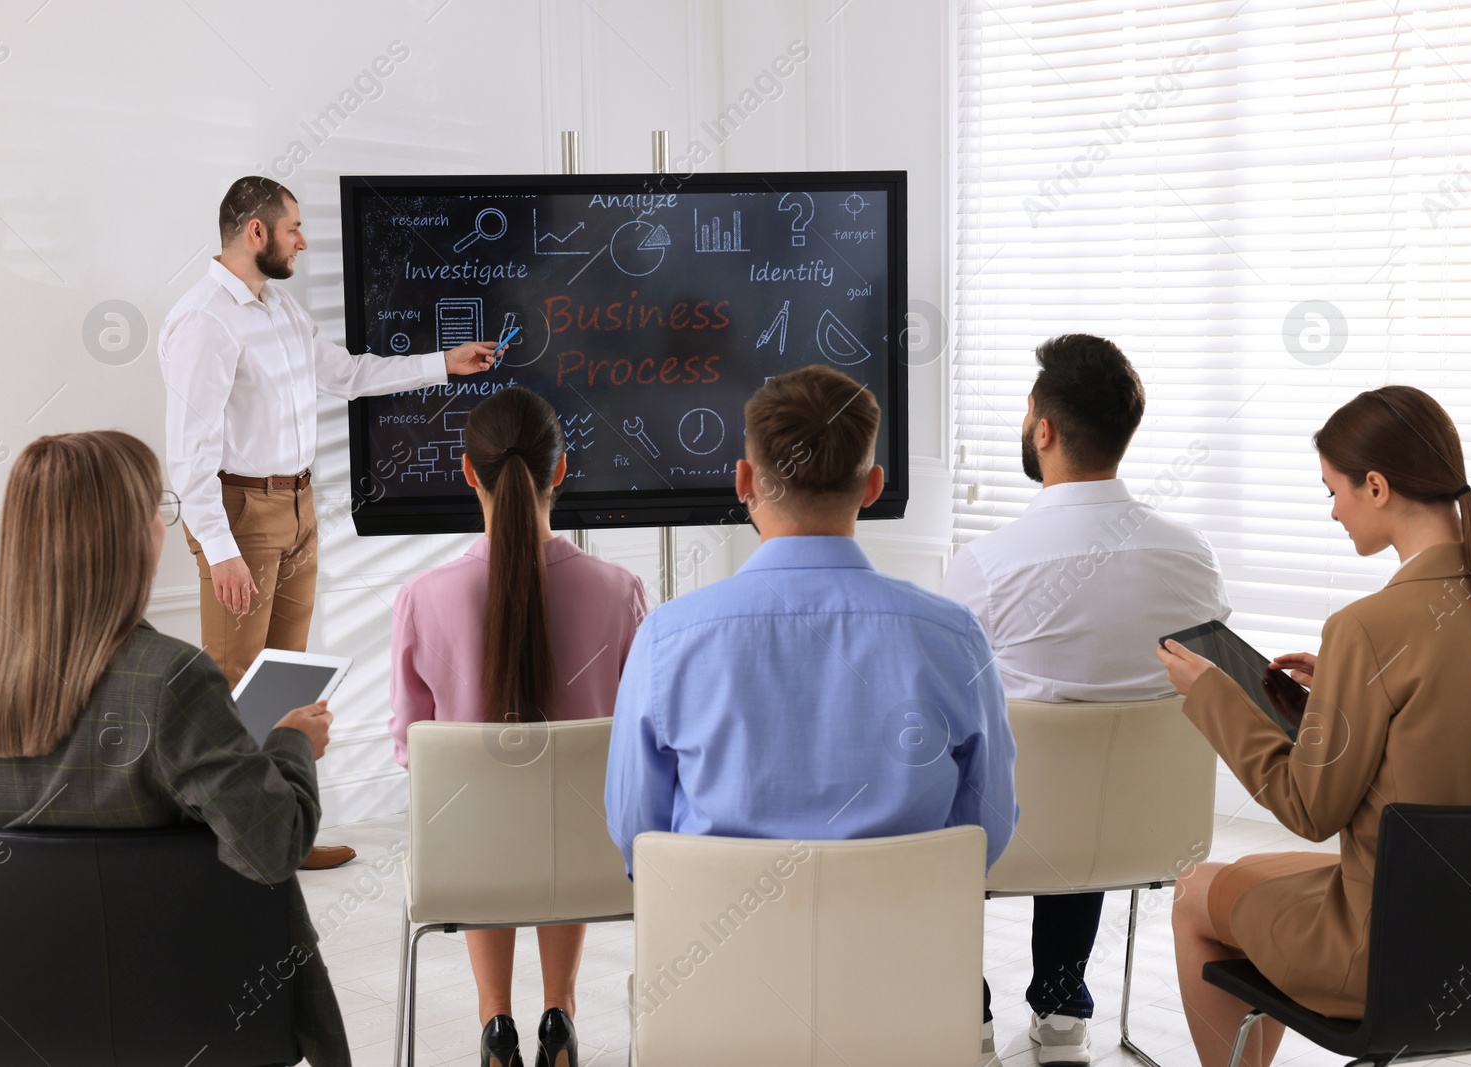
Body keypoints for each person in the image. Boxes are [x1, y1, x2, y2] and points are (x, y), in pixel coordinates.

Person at [0, 431, 349, 1067]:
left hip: (22, 1021)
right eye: (156, 507)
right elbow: (273, 847)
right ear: (123, 536)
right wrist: (290, 743)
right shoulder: (171, 678)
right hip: (193, 1014)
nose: (161, 525)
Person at [1158, 385, 1471, 1067]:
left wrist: (1215, 694)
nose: (1332, 512)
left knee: (1195, 891)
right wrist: (1347, 688)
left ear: (1376, 486)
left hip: (1387, 955)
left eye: (1333, 490)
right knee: (1242, 870)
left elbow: (1308, 807)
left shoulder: (1368, 627)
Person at [159, 175, 499, 870]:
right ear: (256, 233)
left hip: (299, 505)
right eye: (293, 229)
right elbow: (188, 454)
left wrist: (445, 364)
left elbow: (344, 374)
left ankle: (284, 830)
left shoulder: (277, 307)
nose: (303, 241)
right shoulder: (204, 320)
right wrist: (219, 550)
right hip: (241, 514)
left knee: (284, 681)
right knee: (235, 684)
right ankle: (228, 848)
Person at [604, 363, 1017, 880]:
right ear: (872, 486)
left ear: (744, 481)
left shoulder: (666, 641)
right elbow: (988, 831)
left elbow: (636, 837)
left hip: (719, 956)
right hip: (902, 953)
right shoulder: (955, 637)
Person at [940, 334, 1230, 1066]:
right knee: (1082, 783)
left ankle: (963, 1013)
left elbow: (938, 707)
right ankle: (1064, 1008)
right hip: (1148, 833)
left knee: (943, 766)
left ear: (1044, 429)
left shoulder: (986, 566)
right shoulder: (1192, 559)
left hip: (1015, 832)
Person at [390, 387, 646, 1067]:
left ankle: (494, 1025)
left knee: (482, 819)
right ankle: (558, 1015)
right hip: (592, 861)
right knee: (566, 820)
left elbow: (411, 750)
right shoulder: (619, 590)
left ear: (467, 472)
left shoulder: (422, 598)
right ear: (559, 472)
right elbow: (643, 739)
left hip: (470, 859)